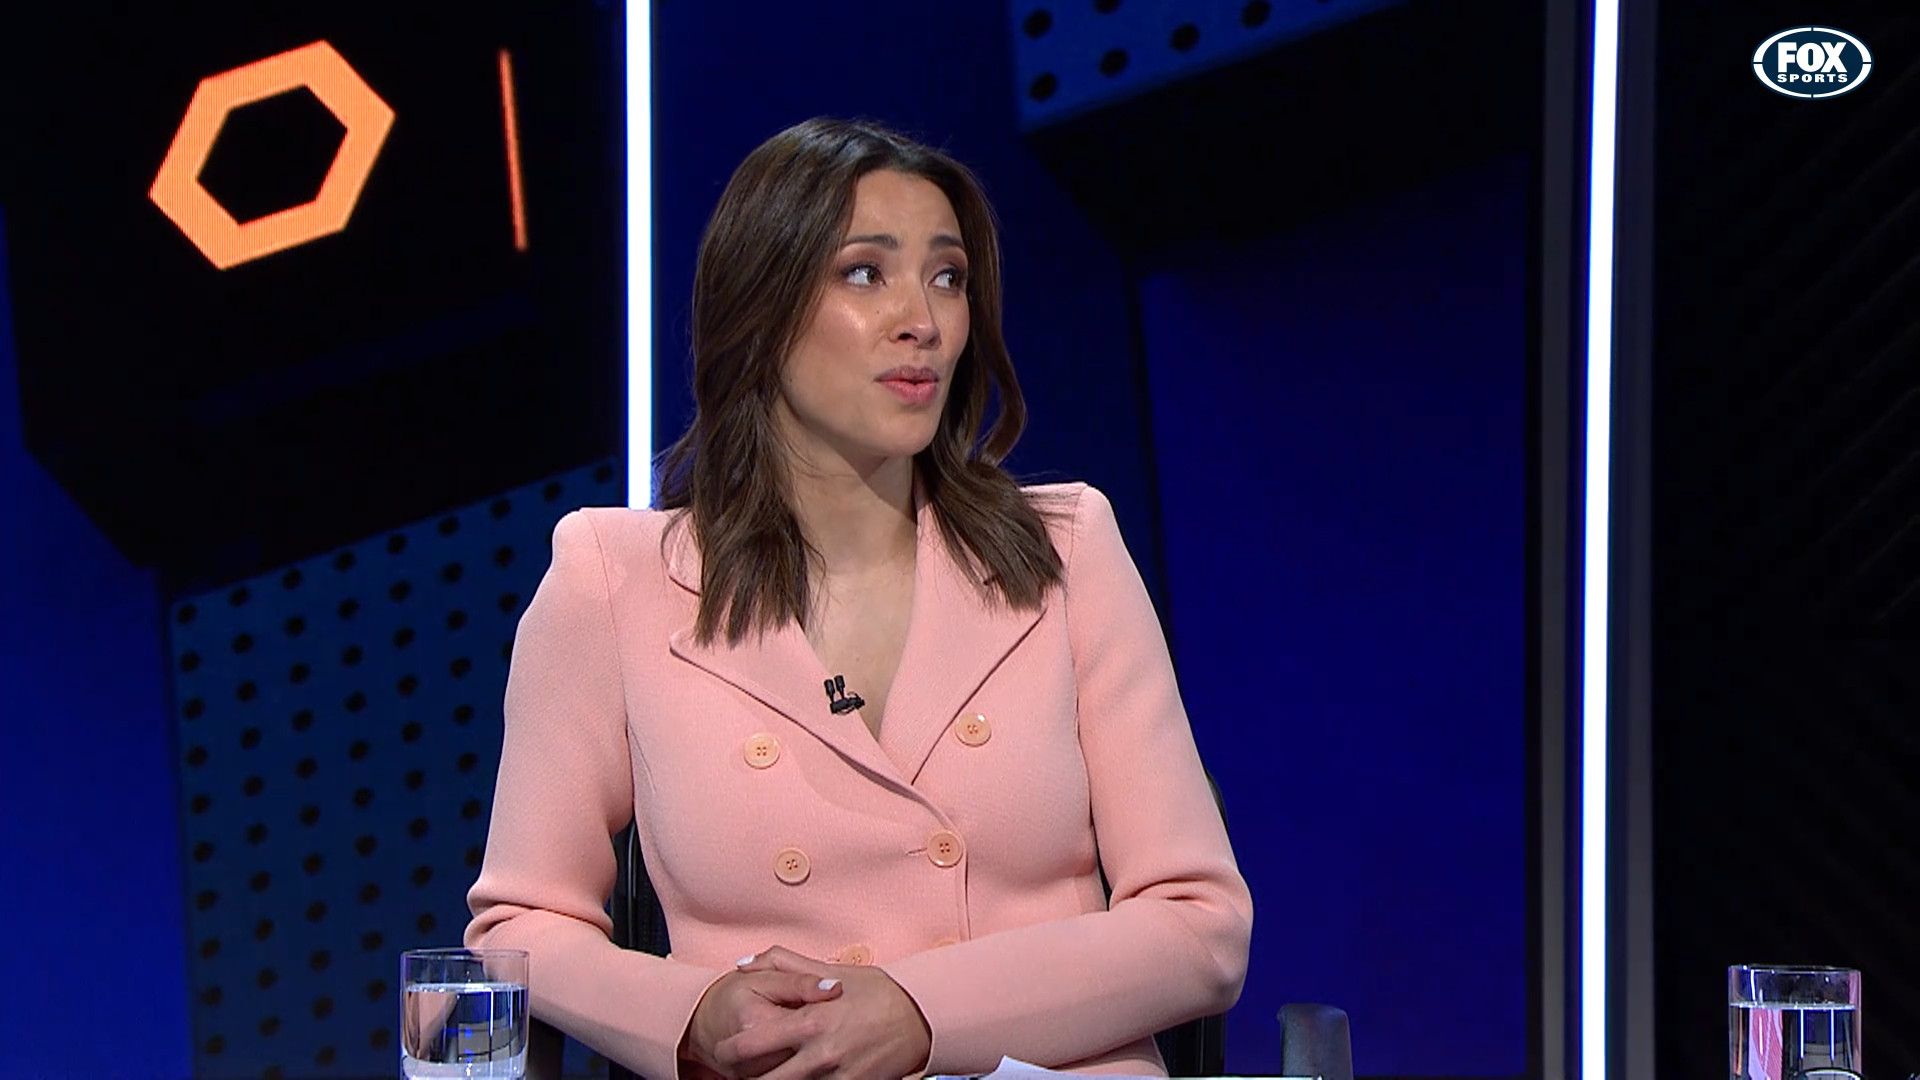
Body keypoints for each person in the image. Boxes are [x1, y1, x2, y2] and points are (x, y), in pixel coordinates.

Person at [465, 117, 1252, 1079]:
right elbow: (523, 922)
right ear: (761, 304)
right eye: (865, 273)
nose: (923, 319)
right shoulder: (615, 576)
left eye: (948, 277)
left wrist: (921, 1012)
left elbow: (1200, 924)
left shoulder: (1066, 549)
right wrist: (693, 1016)